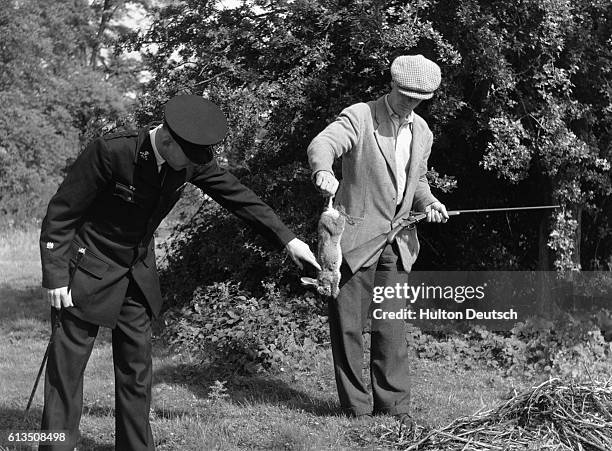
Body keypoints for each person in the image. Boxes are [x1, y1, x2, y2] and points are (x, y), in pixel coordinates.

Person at [38, 94, 320, 451]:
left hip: (135, 273)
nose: (191, 167)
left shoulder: (187, 158)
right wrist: (56, 276)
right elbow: (61, 214)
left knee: (137, 371)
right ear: (167, 140)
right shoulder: (112, 151)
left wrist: (289, 241)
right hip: (88, 266)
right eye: (188, 159)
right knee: (67, 370)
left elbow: (239, 197)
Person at [307, 55, 449, 426]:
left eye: (419, 98)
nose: (410, 102)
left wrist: (431, 203)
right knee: (348, 326)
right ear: (392, 85)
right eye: (405, 94)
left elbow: (417, 182)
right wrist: (323, 170)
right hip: (352, 240)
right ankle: (356, 407)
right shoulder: (360, 116)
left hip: (399, 241)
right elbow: (323, 144)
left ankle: (395, 407)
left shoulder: (423, 132)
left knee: (391, 326)